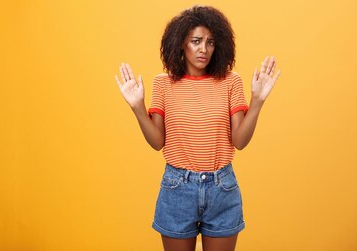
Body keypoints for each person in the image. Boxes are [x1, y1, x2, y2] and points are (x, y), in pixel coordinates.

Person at [114, 5, 281, 251]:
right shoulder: (163, 84)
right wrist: (137, 107)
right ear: (181, 43)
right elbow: (157, 142)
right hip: (177, 188)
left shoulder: (230, 82)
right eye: (196, 41)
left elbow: (240, 141)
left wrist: (258, 101)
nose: (204, 49)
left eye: (210, 42)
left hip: (221, 188)